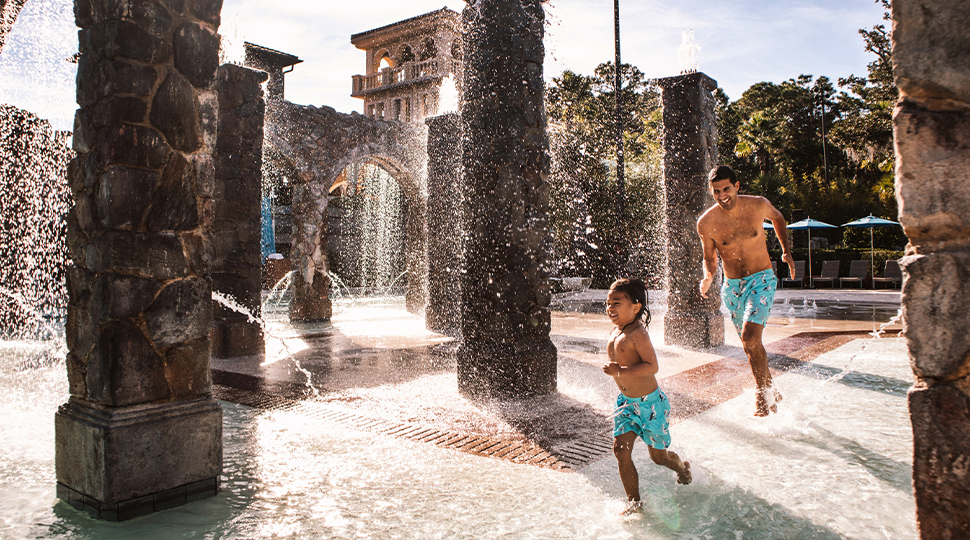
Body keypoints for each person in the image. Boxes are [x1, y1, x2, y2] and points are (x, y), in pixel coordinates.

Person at [696, 165, 795, 416]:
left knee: (751, 338)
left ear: (737, 186)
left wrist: (786, 251)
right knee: (749, 344)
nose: (722, 195)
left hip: (761, 279)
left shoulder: (758, 205)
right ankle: (771, 387)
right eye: (716, 192)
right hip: (732, 287)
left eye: (726, 189)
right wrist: (708, 276)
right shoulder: (706, 223)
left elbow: (779, 218)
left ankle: (761, 394)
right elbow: (709, 257)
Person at [602, 278, 691, 516]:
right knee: (621, 451)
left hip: (650, 404)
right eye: (608, 303)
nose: (610, 307)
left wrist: (620, 372)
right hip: (626, 405)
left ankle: (681, 468)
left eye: (617, 303)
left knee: (658, 458)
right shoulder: (616, 331)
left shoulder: (638, 333)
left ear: (636, 307)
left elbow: (652, 366)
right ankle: (634, 502)